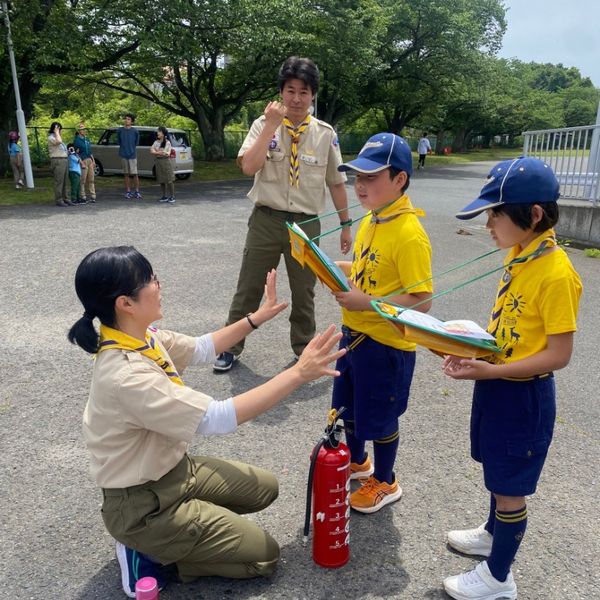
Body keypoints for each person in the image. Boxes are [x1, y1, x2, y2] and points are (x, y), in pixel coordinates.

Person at [67, 246, 345, 597]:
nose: (159, 284)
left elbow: (201, 348)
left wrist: (256, 318)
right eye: (150, 279)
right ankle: (149, 552)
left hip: (174, 472)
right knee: (264, 558)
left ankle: (181, 535)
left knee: (265, 487)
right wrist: (298, 374)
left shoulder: (139, 335)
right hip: (141, 504)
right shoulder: (125, 374)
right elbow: (217, 417)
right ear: (126, 303)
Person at [440, 157, 582, 600]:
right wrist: (469, 349)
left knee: (510, 489)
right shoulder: (521, 254)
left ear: (533, 215)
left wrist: (494, 369)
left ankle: (499, 576)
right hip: (497, 382)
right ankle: (490, 532)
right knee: (497, 472)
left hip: (524, 395)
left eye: (495, 213)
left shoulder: (557, 272)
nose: (487, 223)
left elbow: (558, 355)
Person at [213, 56, 352, 372]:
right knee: (248, 286)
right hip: (266, 219)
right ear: (281, 92)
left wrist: (346, 225)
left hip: (306, 224)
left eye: (304, 92)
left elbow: (336, 182)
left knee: (304, 292)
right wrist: (271, 126)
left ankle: (303, 350)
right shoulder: (263, 126)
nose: (297, 99)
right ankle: (229, 346)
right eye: (290, 91)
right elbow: (249, 166)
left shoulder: (325, 133)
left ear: (313, 94)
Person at [330, 133, 433, 513]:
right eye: (356, 176)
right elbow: (368, 270)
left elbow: (421, 300)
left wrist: (366, 302)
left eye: (371, 177)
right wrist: (337, 270)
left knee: (381, 416)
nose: (360, 185)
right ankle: (358, 463)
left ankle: (386, 480)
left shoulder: (408, 233)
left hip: (386, 346)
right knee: (350, 407)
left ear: (399, 179)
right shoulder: (374, 220)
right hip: (354, 335)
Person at [47, 121, 73, 207]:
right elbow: (58, 141)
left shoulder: (58, 137)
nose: (60, 131)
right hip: (58, 160)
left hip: (64, 160)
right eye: (59, 129)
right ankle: (59, 200)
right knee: (59, 181)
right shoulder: (51, 138)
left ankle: (66, 198)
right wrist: (56, 132)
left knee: (65, 181)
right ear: (55, 129)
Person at [117, 113, 141, 199]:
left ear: (132, 121)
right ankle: (128, 191)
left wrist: (131, 150)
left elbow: (136, 143)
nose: (126, 120)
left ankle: (137, 191)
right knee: (126, 174)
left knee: (135, 174)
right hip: (123, 154)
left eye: (128, 119)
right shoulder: (120, 130)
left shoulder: (135, 131)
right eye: (126, 119)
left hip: (132, 155)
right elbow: (119, 141)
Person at [150, 126, 175, 203]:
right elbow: (151, 150)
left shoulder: (167, 142)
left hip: (166, 162)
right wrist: (158, 152)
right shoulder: (156, 142)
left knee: (169, 180)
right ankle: (164, 196)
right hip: (158, 162)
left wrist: (157, 152)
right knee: (161, 180)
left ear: (163, 133)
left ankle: (172, 196)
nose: (157, 133)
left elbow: (166, 154)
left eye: (159, 131)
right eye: (158, 131)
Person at [73, 122, 97, 203]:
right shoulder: (76, 140)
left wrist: (93, 161)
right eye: (81, 129)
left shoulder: (87, 139)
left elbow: (90, 151)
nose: (83, 130)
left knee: (91, 179)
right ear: (79, 130)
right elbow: (76, 153)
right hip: (83, 160)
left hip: (89, 160)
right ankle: (83, 196)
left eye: (84, 129)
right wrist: (81, 162)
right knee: (83, 179)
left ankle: (93, 195)